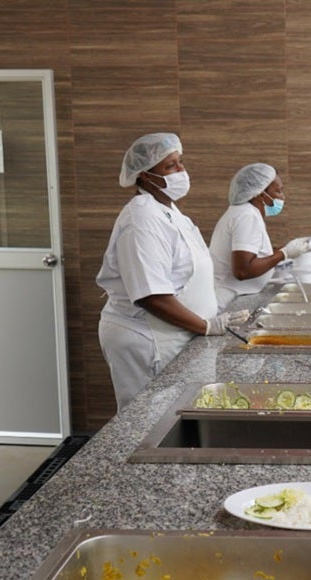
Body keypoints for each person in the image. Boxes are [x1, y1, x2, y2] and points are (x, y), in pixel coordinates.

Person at [96, 133, 246, 411]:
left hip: (175, 332)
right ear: (144, 175)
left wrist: (209, 316)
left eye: (180, 162)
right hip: (148, 338)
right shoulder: (141, 219)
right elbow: (151, 296)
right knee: (148, 418)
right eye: (170, 166)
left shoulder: (170, 212)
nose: (181, 171)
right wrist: (206, 326)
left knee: (172, 413)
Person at [209, 163, 311, 309]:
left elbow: (253, 255)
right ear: (260, 194)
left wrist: (291, 249)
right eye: (278, 191)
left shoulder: (245, 213)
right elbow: (242, 271)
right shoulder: (247, 216)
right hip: (226, 303)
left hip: (232, 299)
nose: (282, 197)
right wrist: (283, 254)